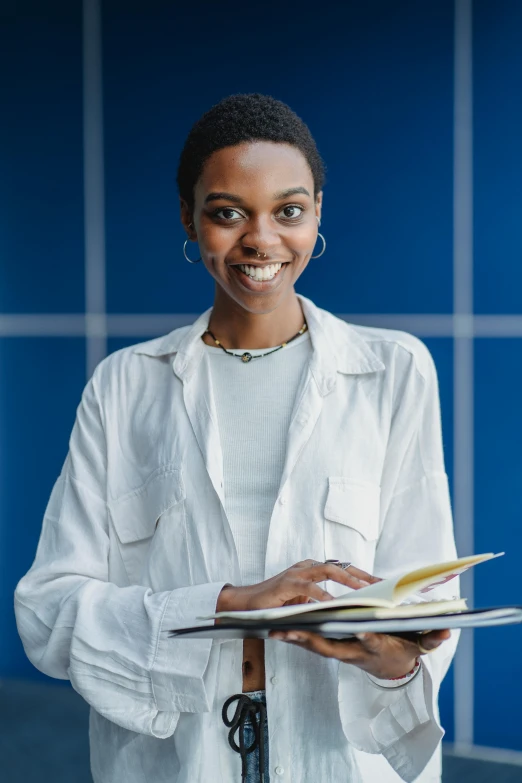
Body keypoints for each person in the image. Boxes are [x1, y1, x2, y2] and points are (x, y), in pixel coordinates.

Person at [14, 93, 458, 783]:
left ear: (316, 214)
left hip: (341, 760)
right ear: (191, 219)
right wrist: (228, 603)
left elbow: (426, 600)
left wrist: (399, 657)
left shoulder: (393, 372)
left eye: (289, 210)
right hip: (174, 760)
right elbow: (48, 610)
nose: (261, 239)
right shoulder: (125, 386)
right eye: (227, 212)